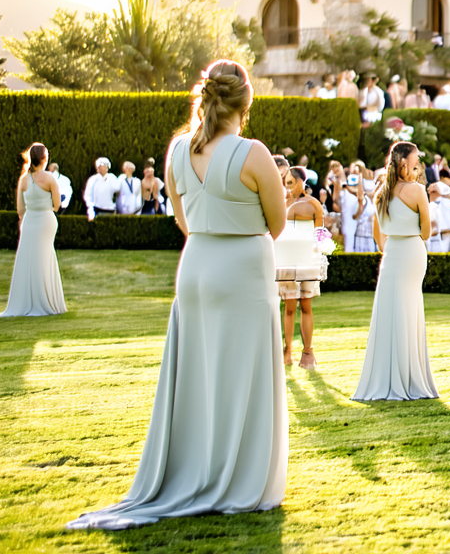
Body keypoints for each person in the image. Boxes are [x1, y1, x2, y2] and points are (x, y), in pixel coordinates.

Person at [68, 61, 287, 530]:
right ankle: (235, 477)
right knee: (240, 374)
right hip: (242, 268)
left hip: (196, 264)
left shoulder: (178, 150)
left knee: (196, 374)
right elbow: (277, 223)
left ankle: (195, 469)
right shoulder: (254, 153)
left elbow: (183, 220)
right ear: (246, 103)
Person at [352, 141, 438, 401]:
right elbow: (426, 232)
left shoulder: (380, 193)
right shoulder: (417, 191)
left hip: (391, 255)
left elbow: (380, 238)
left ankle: (387, 377)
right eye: (414, 162)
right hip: (412, 251)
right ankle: (410, 377)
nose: (417, 166)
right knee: (409, 310)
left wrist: (392, 245)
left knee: (389, 312)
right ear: (403, 164)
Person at [0, 143, 66, 317]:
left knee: (27, 259)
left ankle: (27, 301)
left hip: (29, 221)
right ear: (44, 158)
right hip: (45, 220)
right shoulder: (50, 178)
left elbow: (20, 210)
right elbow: (57, 206)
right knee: (45, 258)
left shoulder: (23, 179)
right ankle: (47, 301)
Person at [279, 167, 324, 369]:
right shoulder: (280, 203)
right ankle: (287, 351)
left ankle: (307, 352)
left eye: (290, 182)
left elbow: (320, 233)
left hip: (307, 260)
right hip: (287, 260)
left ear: (301, 182)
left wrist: (320, 252)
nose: (287, 187)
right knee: (289, 307)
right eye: (285, 183)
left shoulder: (313, 204)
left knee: (306, 306)